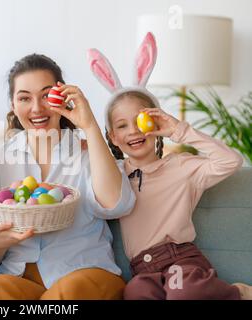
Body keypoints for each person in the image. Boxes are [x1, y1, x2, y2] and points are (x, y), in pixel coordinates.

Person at [91, 32, 252, 299]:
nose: (133, 131)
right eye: (122, 126)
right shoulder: (114, 176)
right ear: (113, 137)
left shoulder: (182, 167)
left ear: (155, 123)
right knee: (134, 294)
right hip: (142, 270)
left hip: (182, 260)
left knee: (182, 291)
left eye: (140, 120)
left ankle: (236, 292)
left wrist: (179, 130)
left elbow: (231, 161)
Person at [0, 53, 136, 300]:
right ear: (13, 105)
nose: (37, 108)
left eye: (46, 96)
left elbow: (116, 204)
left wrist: (89, 126)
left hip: (85, 273)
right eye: (24, 98)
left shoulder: (87, 150)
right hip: (20, 276)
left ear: (63, 98)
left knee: (65, 297)